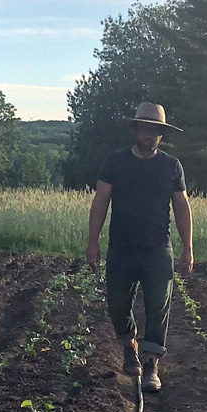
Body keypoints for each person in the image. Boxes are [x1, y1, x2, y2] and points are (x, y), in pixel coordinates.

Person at [86, 102, 194, 393]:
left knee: (158, 306)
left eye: (155, 131)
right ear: (135, 130)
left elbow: (182, 206)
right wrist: (92, 242)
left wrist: (188, 248)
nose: (150, 135)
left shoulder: (171, 166)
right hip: (121, 248)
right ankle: (129, 344)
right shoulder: (115, 163)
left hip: (158, 248)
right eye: (145, 129)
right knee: (117, 306)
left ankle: (151, 365)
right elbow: (100, 202)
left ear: (161, 135)